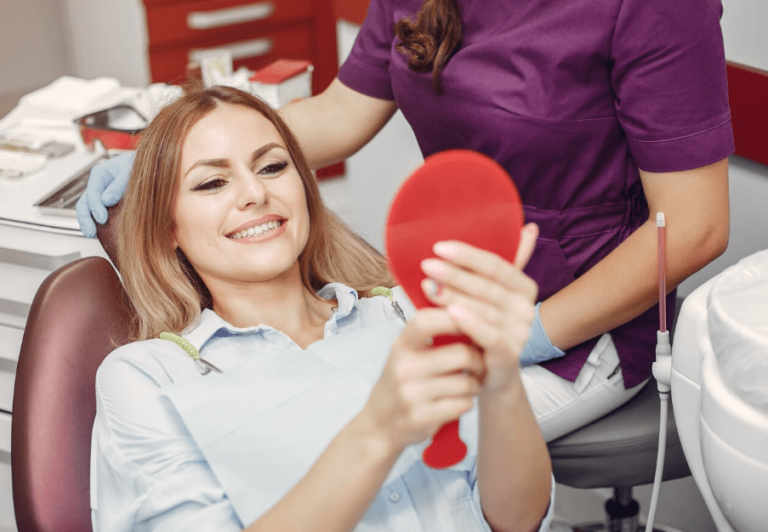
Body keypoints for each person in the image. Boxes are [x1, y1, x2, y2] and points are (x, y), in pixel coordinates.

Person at [78, 0, 733, 442]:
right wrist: (165, 159)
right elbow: (341, 114)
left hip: (577, 331)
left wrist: (532, 333)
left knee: (343, 447)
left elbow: (695, 226)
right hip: (439, 299)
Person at [90, 84, 553, 532]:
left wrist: (502, 378)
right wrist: (379, 430)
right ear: (167, 227)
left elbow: (518, 521)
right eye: (212, 182)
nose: (255, 193)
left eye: (272, 167)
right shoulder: (150, 378)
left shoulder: (408, 315)